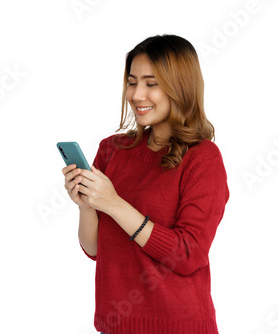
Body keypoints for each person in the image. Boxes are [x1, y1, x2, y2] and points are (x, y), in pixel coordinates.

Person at [62, 34, 229, 334]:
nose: (137, 95)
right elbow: (96, 250)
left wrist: (114, 203)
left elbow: (188, 254)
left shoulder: (203, 159)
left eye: (152, 84)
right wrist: (86, 206)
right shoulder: (111, 149)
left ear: (180, 87)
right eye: (132, 81)